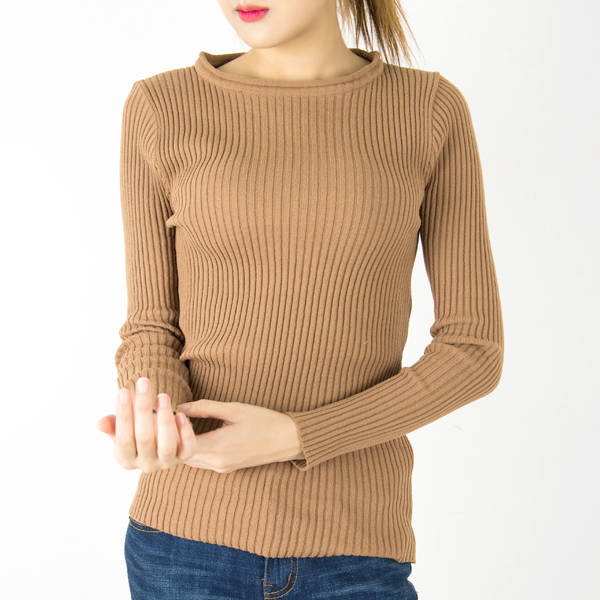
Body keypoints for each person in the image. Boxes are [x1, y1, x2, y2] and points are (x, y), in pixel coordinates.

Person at [97, 0, 504, 598]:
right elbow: (152, 326)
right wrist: (155, 409)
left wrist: (299, 435)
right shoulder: (163, 106)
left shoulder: (427, 111)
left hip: (354, 552)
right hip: (182, 547)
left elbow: (473, 350)